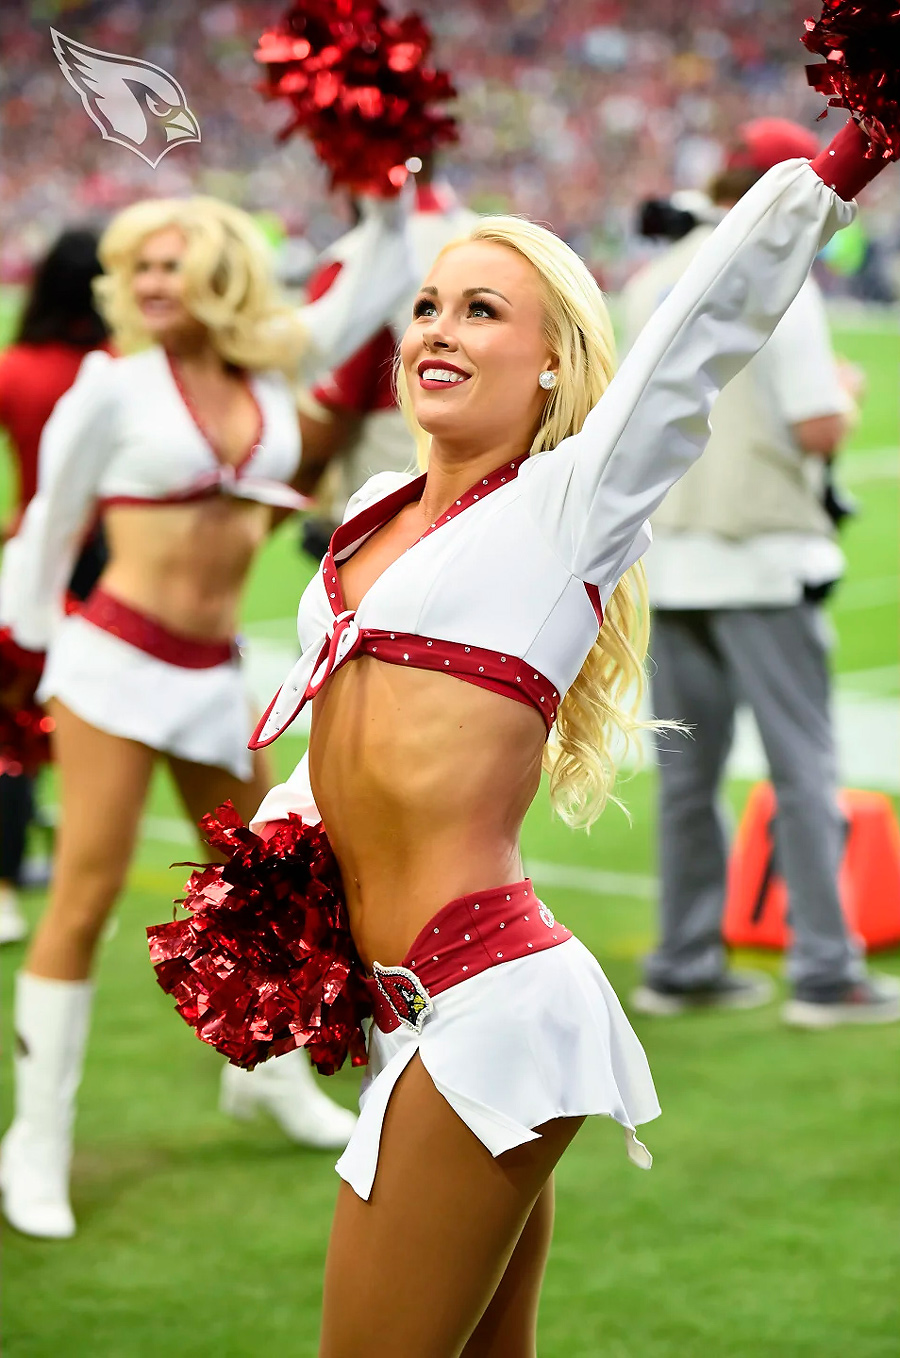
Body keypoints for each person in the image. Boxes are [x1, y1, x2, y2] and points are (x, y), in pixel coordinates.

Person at [229, 121, 882, 1353]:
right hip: (400, 1013)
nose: (439, 329)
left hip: (486, 1008)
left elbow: (698, 335)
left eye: (484, 311)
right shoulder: (372, 509)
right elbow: (355, 731)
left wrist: (839, 163)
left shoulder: (566, 505)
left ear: (549, 365)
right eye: (429, 306)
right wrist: (283, 846)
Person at [0, 190, 416, 1239]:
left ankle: (267, 1079)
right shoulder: (111, 387)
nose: (147, 286)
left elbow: (369, 286)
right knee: (84, 891)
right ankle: (35, 1142)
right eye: (137, 269)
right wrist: (20, 650)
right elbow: (52, 522)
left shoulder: (268, 367)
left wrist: (389, 192)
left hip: (211, 670)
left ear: (220, 272)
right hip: (110, 663)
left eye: (170, 264)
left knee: (268, 882)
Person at [622, 118, 900, 1030]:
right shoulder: (783, 280)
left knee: (685, 781)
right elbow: (817, 424)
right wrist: (850, 394)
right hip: (766, 558)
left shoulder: (653, 278)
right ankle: (826, 971)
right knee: (804, 767)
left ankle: (685, 958)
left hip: (671, 560)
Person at [0, 228, 110, 946]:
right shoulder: (119, 369)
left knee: (13, 726)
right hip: (112, 560)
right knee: (99, 728)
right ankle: (81, 881)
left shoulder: (15, 368)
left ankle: (4, 886)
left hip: (32, 555)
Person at [295, 160, 478, 531]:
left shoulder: (352, 262)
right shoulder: (496, 245)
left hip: (388, 528)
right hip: (490, 513)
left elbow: (325, 426)